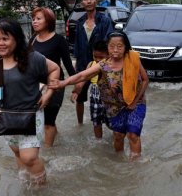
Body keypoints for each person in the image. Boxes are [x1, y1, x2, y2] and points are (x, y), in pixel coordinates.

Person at [0, 18, 60, 185]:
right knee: (17, 153)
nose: (0, 43)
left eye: (5, 39)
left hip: (31, 115)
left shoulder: (32, 58)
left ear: (16, 39)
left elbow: (55, 69)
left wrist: (49, 93)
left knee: (28, 157)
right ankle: (26, 182)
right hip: (5, 117)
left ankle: (42, 187)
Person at [49, 31, 149, 160]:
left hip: (136, 103)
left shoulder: (133, 59)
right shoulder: (103, 65)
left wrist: (135, 101)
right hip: (114, 106)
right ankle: (119, 162)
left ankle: (135, 167)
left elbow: (145, 80)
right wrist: (63, 83)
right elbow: (83, 75)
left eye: (120, 46)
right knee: (118, 135)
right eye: (112, 46)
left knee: (133, 135)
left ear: (126, 48)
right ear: (107, 47)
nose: (115, 50)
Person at [30, 7, 76, 147]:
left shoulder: (59, 40)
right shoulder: (32, 40)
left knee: (48, 120)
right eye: (33, 19)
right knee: (44, 119)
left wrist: (77, 84)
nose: (34, 22)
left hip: (55, 84)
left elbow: (68, 65)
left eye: (39, 19)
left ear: (48, 21)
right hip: (37, 85)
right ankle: (56, 139)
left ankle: (48, 153)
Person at [74, 0, 114, 124]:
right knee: (78, 96)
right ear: (82, 2)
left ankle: (110, 124)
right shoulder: (79, 23)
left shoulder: (105, 21)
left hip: (101, 65)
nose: (89, 1)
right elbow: (77, 45)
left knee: (105, 97)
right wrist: (77, 64)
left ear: (96, 1)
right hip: (83, 65)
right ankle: (79, 125)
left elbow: (109, 44)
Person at [71, 41, 108, 139]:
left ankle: (115, 138)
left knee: (111, 121)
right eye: (95, 56)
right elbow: (84, 77)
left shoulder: (111, 65)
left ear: (108, 55)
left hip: (108, 97)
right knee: (96, 121)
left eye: (101, 57)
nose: (98, 60)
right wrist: (77, 89)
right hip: (95, 96)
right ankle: (99, 141)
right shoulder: (91, 64)